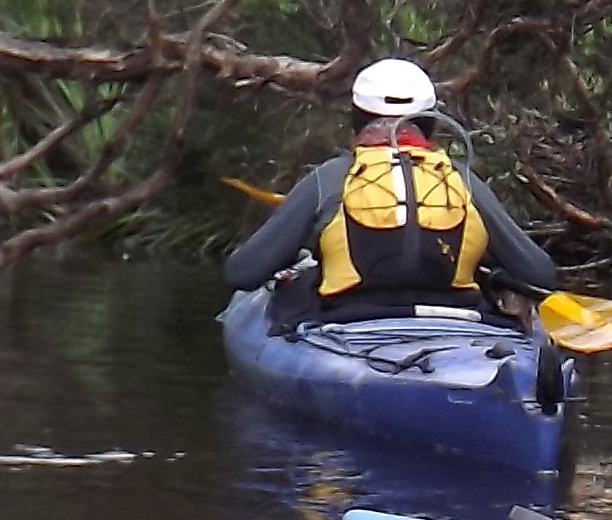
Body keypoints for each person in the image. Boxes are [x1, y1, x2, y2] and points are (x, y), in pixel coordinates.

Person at [223, 58, 559, 322]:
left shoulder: (331, 178)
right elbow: (539, 273)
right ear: (431, 125)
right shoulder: (462, 181)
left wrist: (296, 260)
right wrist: (488, 264)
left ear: (356, 120)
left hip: (349, 322)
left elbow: (243, 272)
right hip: (457, 322)